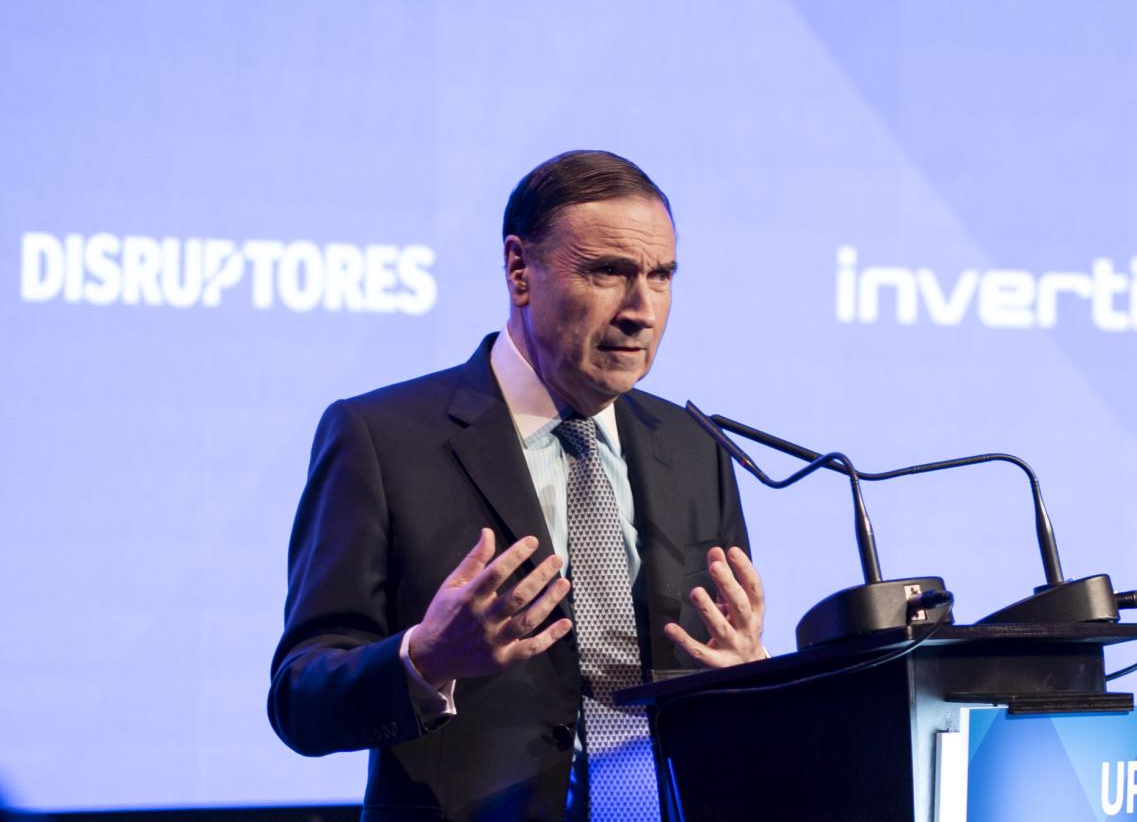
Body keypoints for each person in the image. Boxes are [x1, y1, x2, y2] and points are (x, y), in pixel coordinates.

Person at [269, 150, 766, 822]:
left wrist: (751, 682)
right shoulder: (381, 438)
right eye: (608, 273)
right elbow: (301, 698)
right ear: (519, 270)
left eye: (661, 276)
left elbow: (716, 684)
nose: (641, 309)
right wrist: (425, 658)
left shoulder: (696, 446)